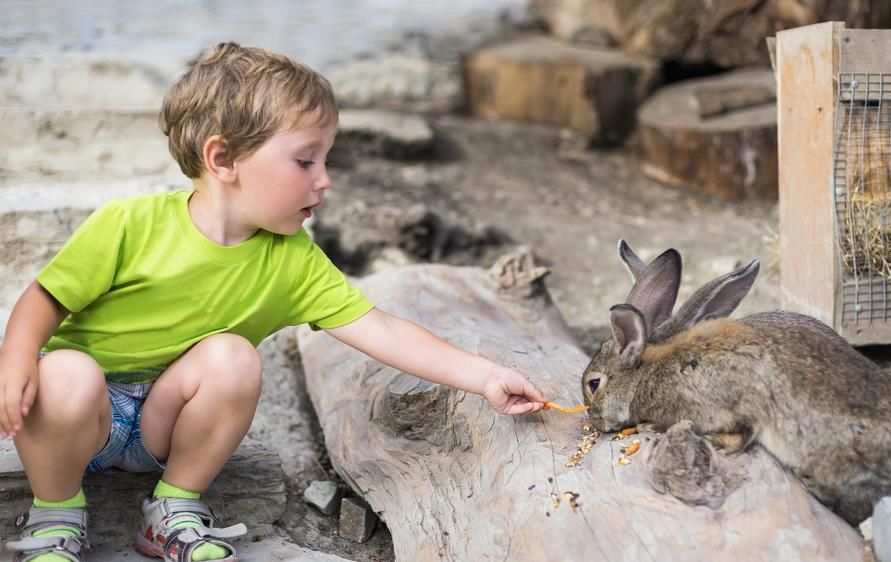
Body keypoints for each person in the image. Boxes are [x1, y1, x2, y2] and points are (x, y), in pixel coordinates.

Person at [0, 42, 548, 562]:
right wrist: (18, 359)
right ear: (223, 159)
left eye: (326, 161)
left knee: (234, 357)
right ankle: (56, 513)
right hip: (81, 422)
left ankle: (172, 505)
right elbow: (43, 300)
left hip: (164, 426)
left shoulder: (291, 260)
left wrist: (484, 377)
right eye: (306, 161)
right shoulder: (129, 224)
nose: (325, 180)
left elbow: (381, 329)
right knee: (65, 372)